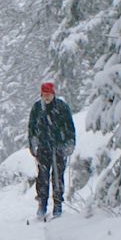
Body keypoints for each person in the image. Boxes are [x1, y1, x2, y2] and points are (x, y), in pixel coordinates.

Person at [27, 81, 76, 221]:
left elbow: (70, 127)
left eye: (49, 94)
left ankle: (58, 205)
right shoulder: (37, 108)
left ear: (53, 94)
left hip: (59, 148)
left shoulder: (62, 107)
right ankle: (42, 205)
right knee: (42, 177)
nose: (47, 97)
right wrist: (33, 144)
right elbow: (31, 128)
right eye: (44, 94)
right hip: (43, 148)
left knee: (58, 177)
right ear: (41, 95)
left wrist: (69, 144)